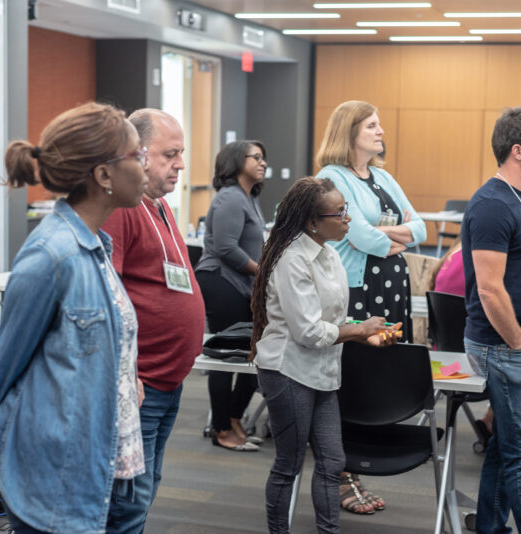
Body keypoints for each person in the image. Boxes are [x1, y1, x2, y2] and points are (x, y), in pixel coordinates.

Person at [0, 101, 149, 533]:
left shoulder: (98, 249)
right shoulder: (51, 256)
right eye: (137, 155)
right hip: (64, 482)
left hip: (117, 469)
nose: (146, 166)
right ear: (103, 175)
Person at [250, 176, 399, 534]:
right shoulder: (291, 259)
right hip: (288, 371)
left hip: (322, 371)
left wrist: (365, 334)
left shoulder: (330, 254)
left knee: (333, 462)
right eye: (341, 213)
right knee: (289, 464)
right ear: (313, 222)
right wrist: (358, 331)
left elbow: (331, 319)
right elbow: (307, 331)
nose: (349, 219)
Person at [316, 99, 426, 514]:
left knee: (383, 374)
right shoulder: (331, 175)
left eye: (380, 126)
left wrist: (391, 234)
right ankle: (343, 472)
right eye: (372, 126)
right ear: (350, 132)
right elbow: (358, 236)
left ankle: (362, 460)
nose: (381, 132)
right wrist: (392, 237)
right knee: (351, 379)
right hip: (357, 289)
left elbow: (421, 227)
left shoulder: (382, 176)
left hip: (391, 288)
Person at [101, 108, 206, 532]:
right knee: (126, 500)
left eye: (181, 153)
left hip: (166, 379)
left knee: (144, 488)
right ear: (137, 155)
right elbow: (108, 297)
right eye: (170, 153)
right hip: (140, 383)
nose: (180, 163)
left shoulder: (158, 205)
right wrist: (127, 372)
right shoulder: (120, 210)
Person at [462, 106, 521, 534]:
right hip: (505, 345)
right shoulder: (491, 205)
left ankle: (489, 527)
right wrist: (520, 345)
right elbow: (489, 289)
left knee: (506, 448)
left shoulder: (519, 199)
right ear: (517, 151)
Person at [195, 140, 267, 452]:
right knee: (226, 356)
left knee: (255, 353)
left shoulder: (248, 198)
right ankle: (222, 427)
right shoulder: (229, 199)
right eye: (257, 158)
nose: (263, 163)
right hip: (221, 282)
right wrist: (261, 272)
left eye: (264, 159)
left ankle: (235, 418)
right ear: (237, 161)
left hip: (243, 284)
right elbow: (225, 248)